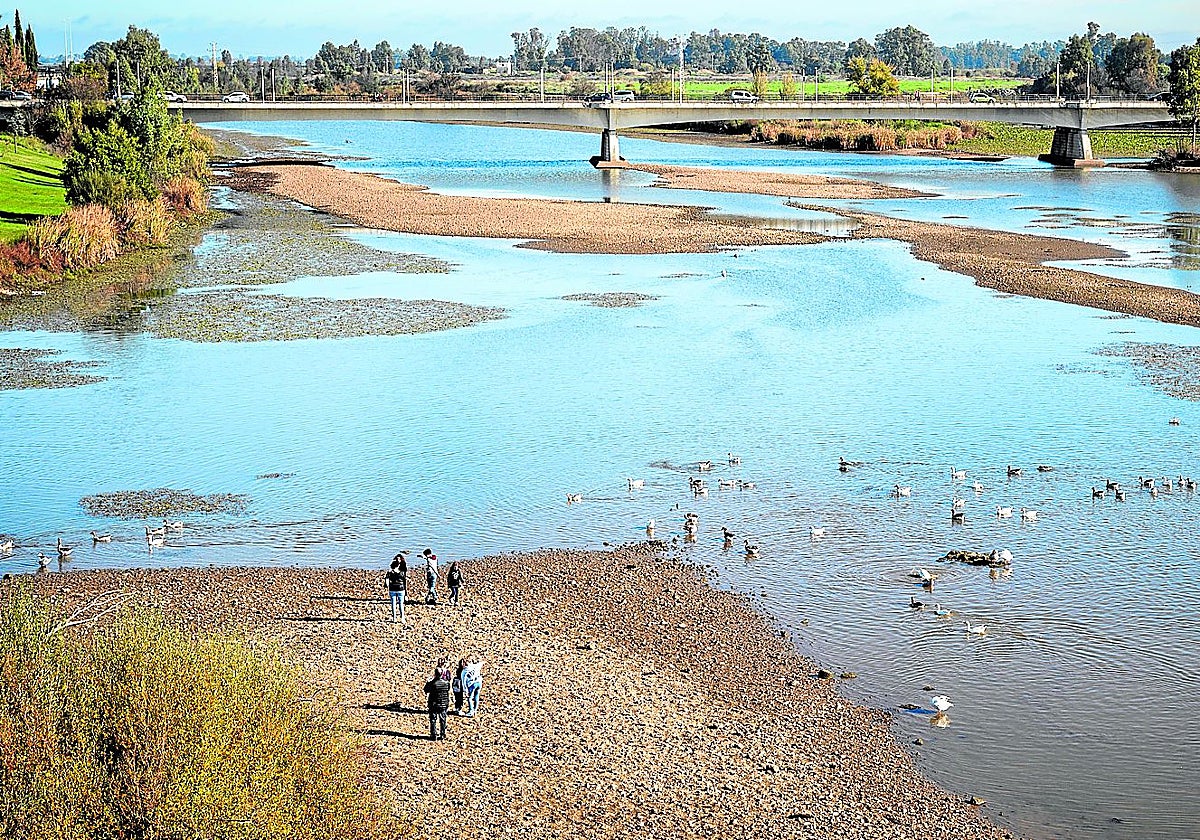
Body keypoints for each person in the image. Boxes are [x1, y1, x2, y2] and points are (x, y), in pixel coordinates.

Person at [423, 662, 451, 740]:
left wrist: (428, 682)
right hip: (444, 703)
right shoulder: (446, 683)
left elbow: (426, 690)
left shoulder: (432, 683)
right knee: (443, 719)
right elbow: (448, 689)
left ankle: (433, 734)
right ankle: (442, 734)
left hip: (433, 703)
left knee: (433, 719)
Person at [385, 553, 408, 623]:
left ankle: (394, 618)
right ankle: (402, 618)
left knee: (393, 604)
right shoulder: (402, 572)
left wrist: (387, 585)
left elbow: (386, 580)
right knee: (401, 604)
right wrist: (406, 594)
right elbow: (404, 582)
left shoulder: (390, 572)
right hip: (400, 589)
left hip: (392, 589)